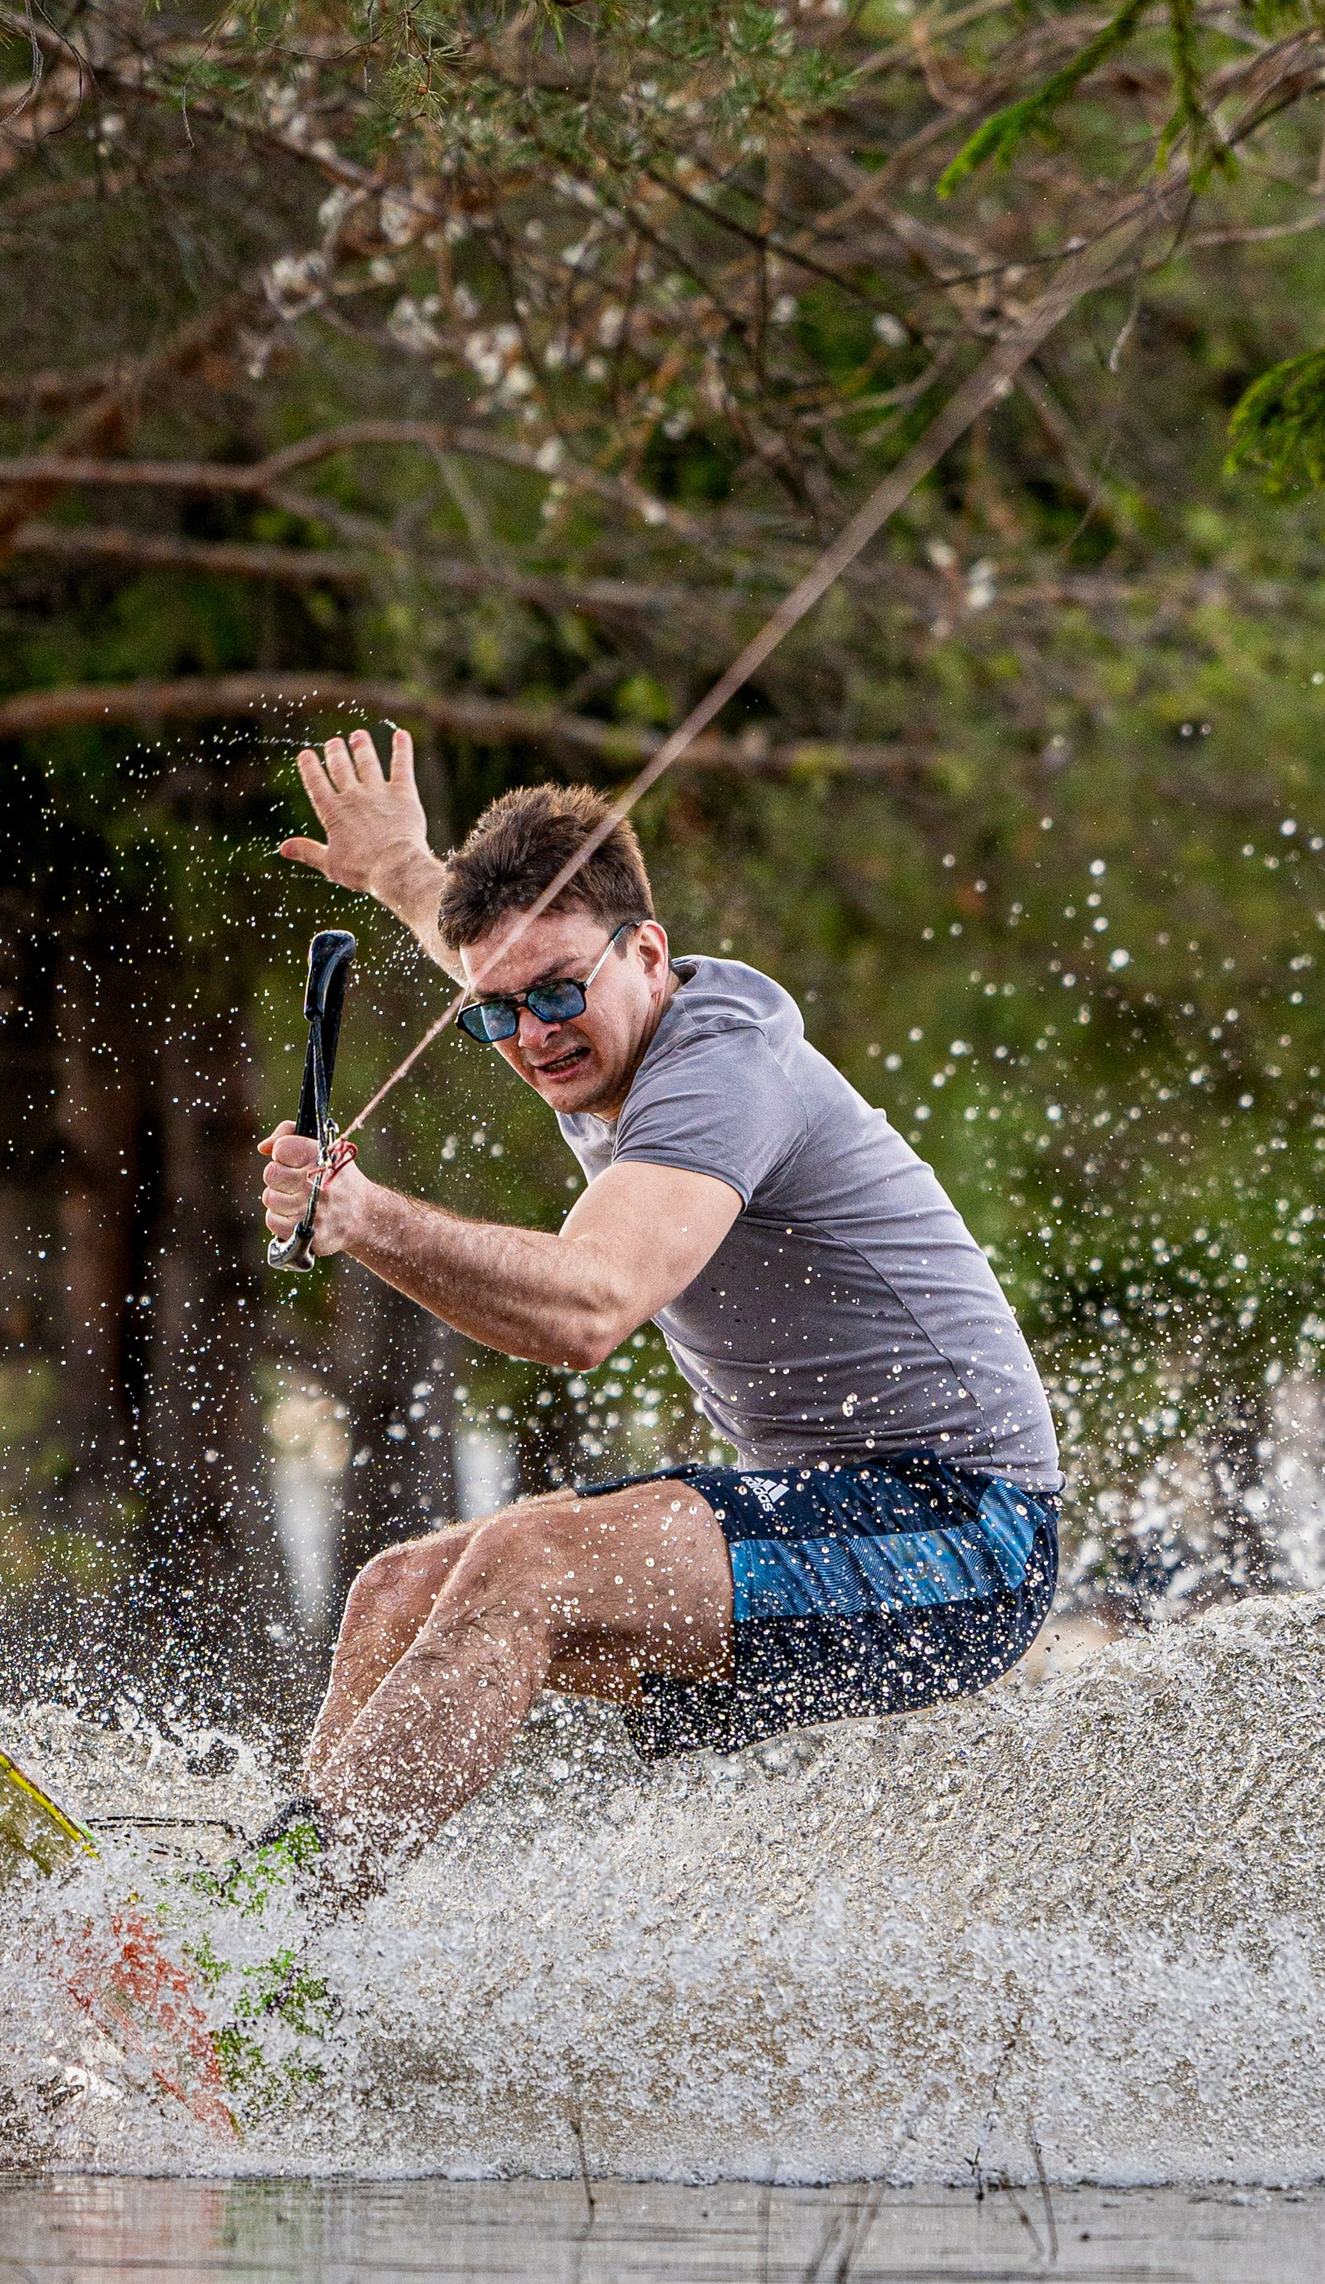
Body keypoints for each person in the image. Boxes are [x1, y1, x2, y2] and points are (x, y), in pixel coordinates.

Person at [253, 729, 1061, 1896]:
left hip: (966, 1536)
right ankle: (287, 1981)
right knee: (392, 1593)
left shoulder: (720, 1068)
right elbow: (490, 949)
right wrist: (397, 866)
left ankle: (273, 1922)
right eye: (497, 1012)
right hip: (826, 1511)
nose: (532, 1035)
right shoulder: (555, 999)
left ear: (650, 953)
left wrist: (365, 1218)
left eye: (561, 995)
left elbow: (589, 1313)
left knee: (525, 1563)